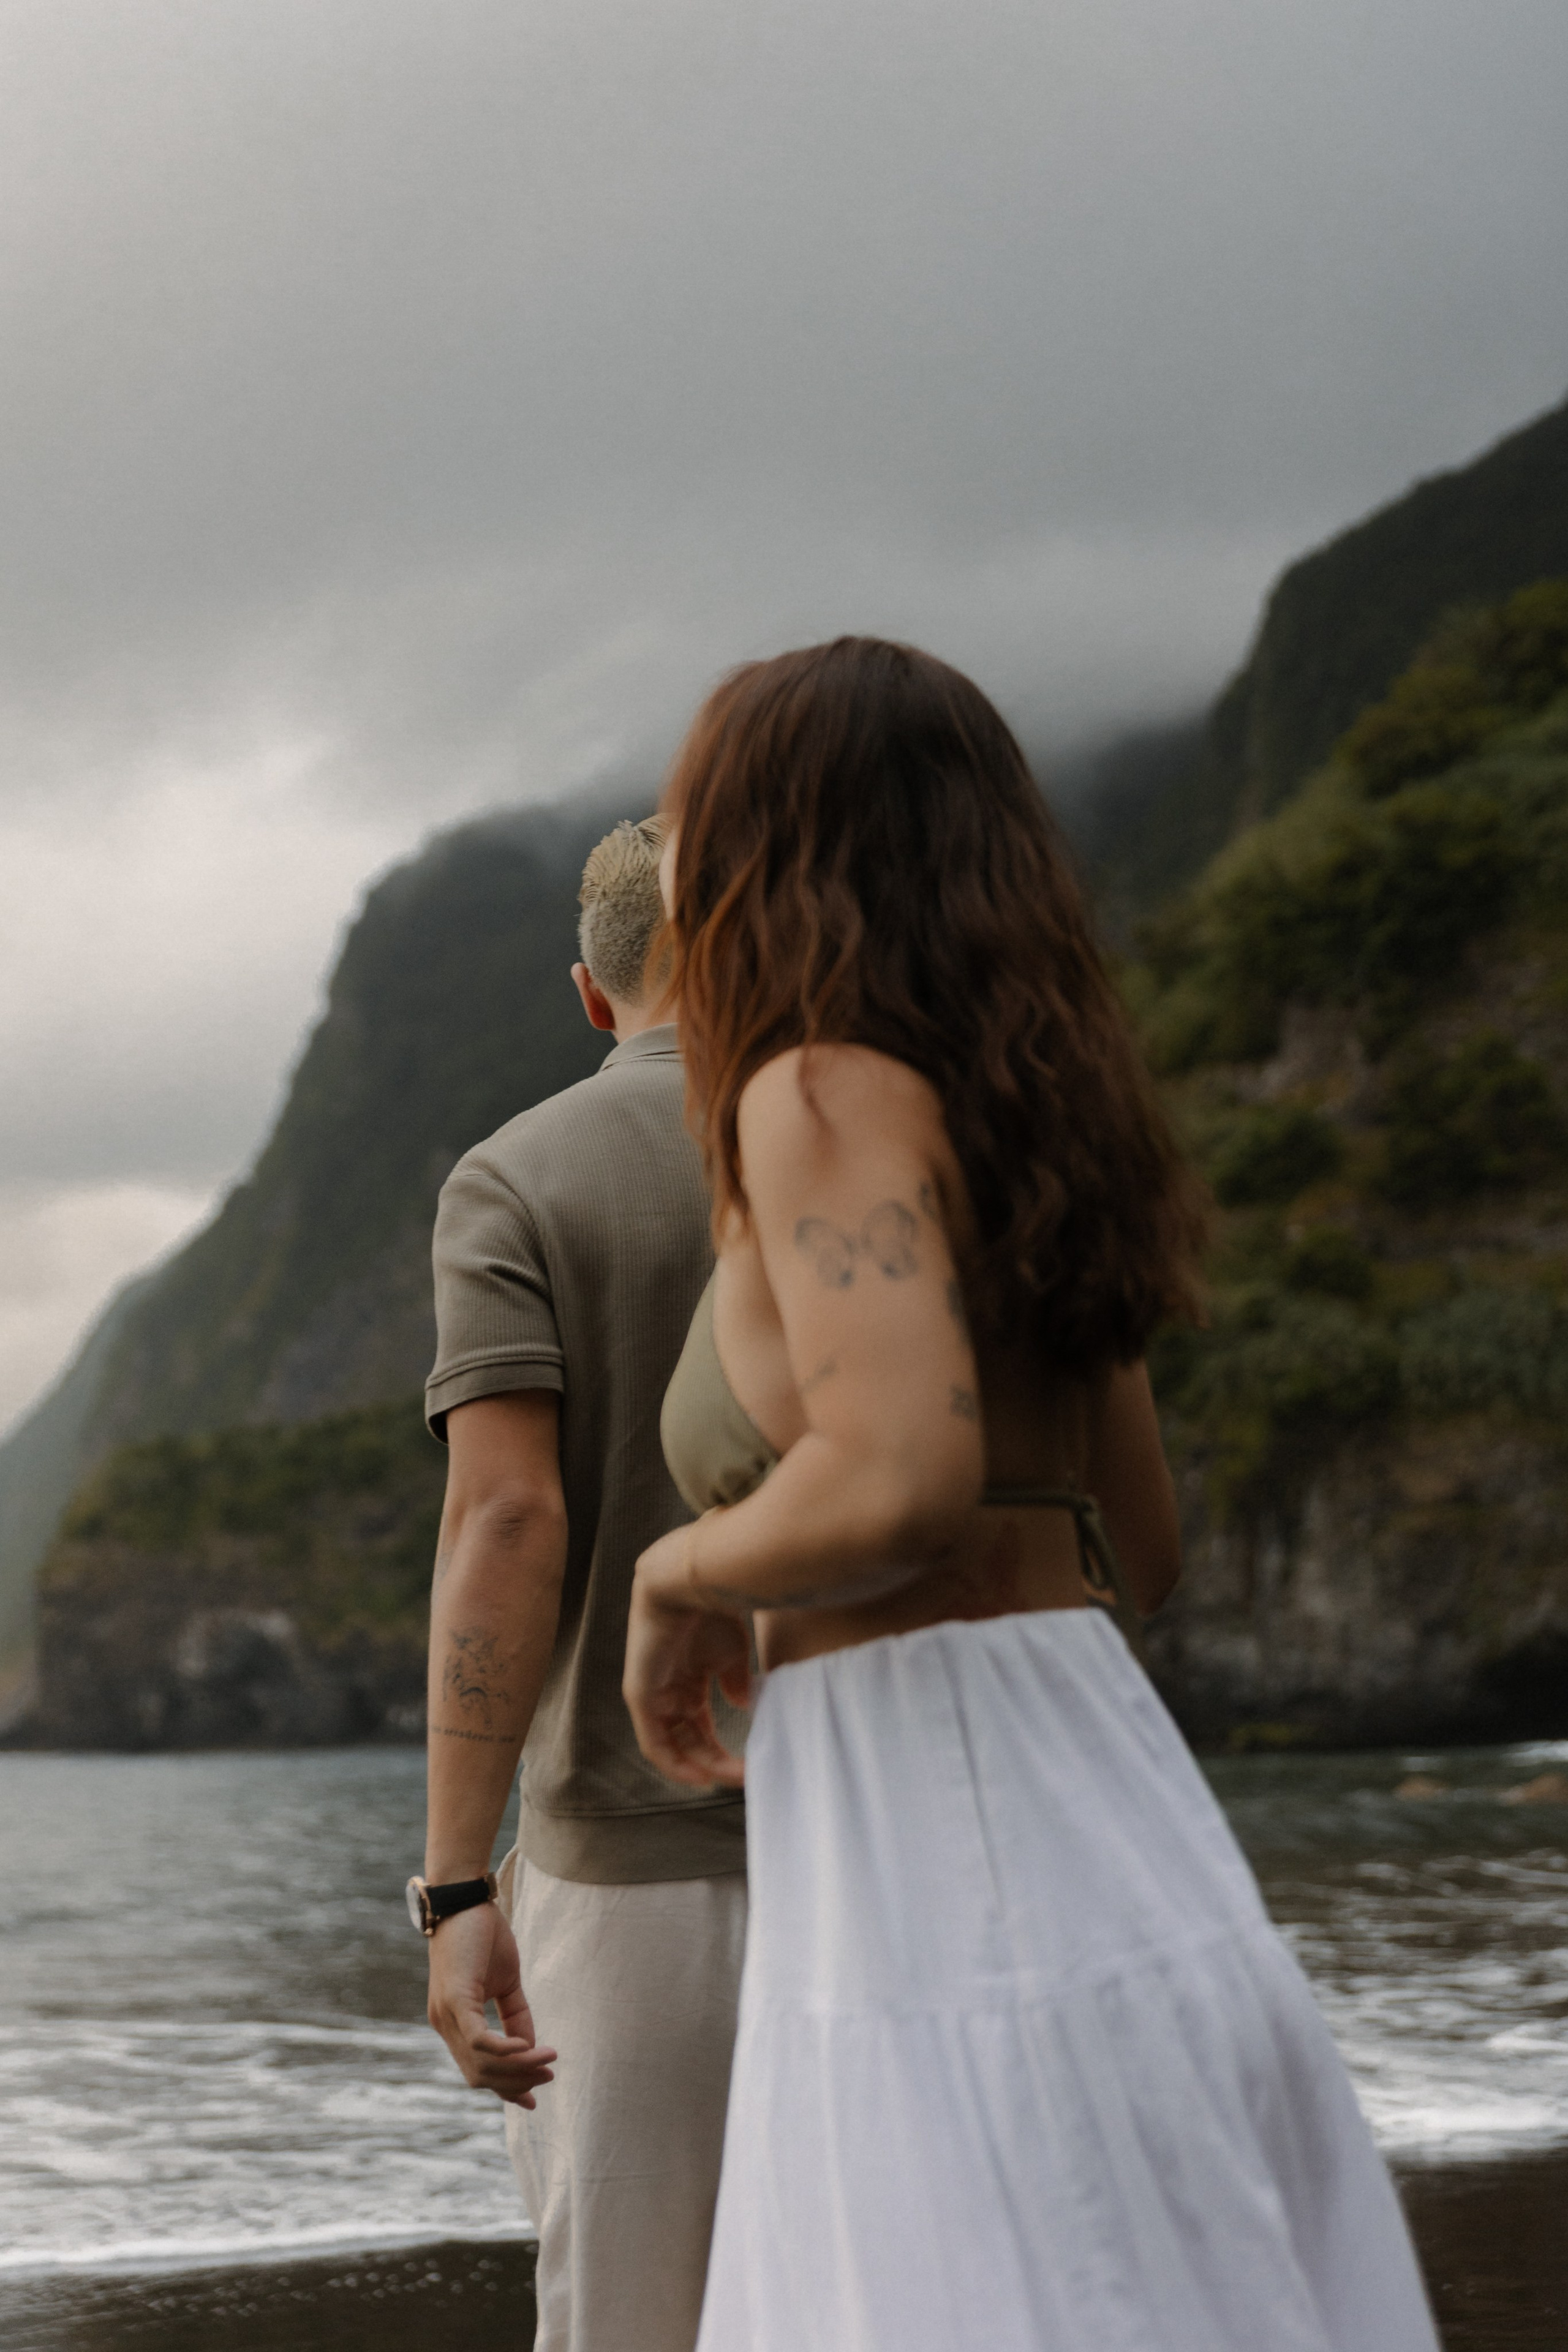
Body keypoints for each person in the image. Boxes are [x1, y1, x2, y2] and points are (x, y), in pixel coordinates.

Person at [623, 641, 1439, 2352]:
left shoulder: (821, 1093)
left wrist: (679, 1572)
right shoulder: (1035, 1118)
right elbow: (1135, 1546)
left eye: (688, 805)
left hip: (941, 1825)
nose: (664, 838)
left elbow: (901, 1471)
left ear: (777, 839)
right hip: (1106, 1804)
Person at [418, 815, 748, 2352]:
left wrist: (459, 1886)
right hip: (891, 1827)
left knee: (632, 2321)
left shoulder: (517, 1176)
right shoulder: (895, 1146)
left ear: (589, 992)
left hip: (631, 1879)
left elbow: (504, 1523)